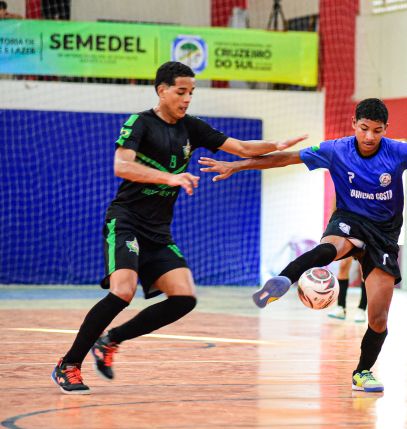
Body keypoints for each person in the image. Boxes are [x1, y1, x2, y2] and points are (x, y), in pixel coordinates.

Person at [199, 98, 407, 392]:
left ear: (386, 130)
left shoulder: (399, 152)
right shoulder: (336, 149)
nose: (369, 137)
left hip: (385, 234)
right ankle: (284, 279)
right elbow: (285, 158)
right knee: (332, 248)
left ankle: (362, 372)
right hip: (350, 218)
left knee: (378, 318)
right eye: (364, 129)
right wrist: (237, 165)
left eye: (376, 131)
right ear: (354, 123)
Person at [51, 61, 306, 394]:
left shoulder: (192, 128)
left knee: (184, 298)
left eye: (191, 92)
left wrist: (276, 144)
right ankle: (69, 364)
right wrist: (169, 177)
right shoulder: (139, 123)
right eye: (181, 91)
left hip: (158, 230)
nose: (187, 99)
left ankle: (111, 340)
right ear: (162, 90)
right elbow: (122, 166)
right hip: (126, 220)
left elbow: (242, 148)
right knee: (122, 291)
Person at [327, 256, 368, 322]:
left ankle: (362, 309)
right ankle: (341, 307)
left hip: (367, 245)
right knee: (343, 265)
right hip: (353, 244)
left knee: (364, 269)